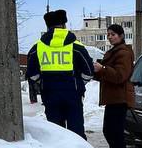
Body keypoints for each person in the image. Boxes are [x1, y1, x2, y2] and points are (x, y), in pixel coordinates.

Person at [25, 9, 93, 137]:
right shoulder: (76, 46)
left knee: (56, 135)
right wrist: (78, 83)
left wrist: (43, 82)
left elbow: (31, 73)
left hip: (50, 95)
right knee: (76, 134)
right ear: (64, 25)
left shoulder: (37, 47)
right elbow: (89, 72)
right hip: (73, 94)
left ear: (48, 26)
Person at [93, 23, 135, 148]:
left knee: (114, 131)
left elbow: (120, 76)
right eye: (108, 34)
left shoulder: (123, 52)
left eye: (113, 34)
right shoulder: (113, 52)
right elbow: (108, 74)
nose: (110, 37)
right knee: (109, 130)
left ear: (121, 36)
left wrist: (102, 69)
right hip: (113, 98)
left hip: (120, 98)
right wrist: (97, 71)